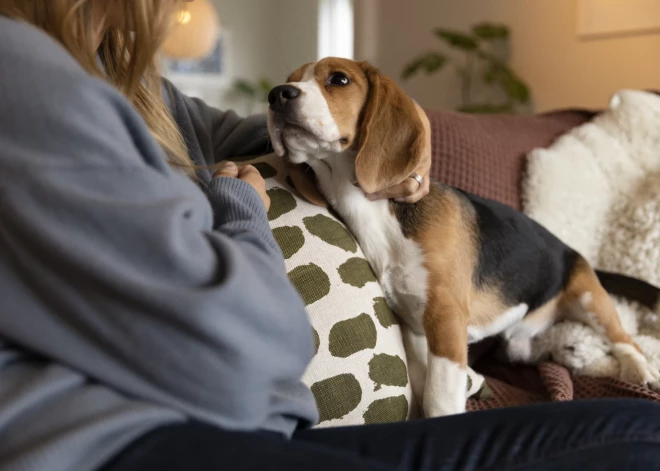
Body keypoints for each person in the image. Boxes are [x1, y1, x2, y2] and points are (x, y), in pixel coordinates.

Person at [0, 1, 659, 471]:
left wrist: (376, 153)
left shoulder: (139, 86)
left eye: (331, 81)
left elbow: (241, 131)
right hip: (135, 437)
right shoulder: (26, 75)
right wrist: (240, 208)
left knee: (643, 426)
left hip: (262, 425)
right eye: (292, 84)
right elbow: (242, 361)